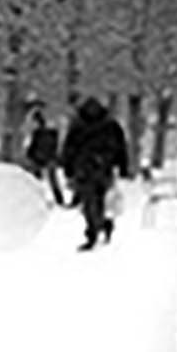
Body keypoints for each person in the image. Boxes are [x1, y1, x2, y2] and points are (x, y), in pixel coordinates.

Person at [60, 96, 131, 250]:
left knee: (94, 201)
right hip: (96, 168)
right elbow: (121, 148)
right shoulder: (109, 125)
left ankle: (97, 227)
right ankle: (97, 228)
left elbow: (69, 149)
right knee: (92, 201)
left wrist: (68, 167)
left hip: (90, 169)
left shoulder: (82, 126)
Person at [23, 104, 63, 202]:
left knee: (35, 178)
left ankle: (35, 197)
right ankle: (59, 199)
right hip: (49, 157)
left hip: (39, 157)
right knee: (53, 180)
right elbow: (55, 144)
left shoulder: (38, 132)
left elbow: (33, 144)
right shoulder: (53, 131)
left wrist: (29, 155)